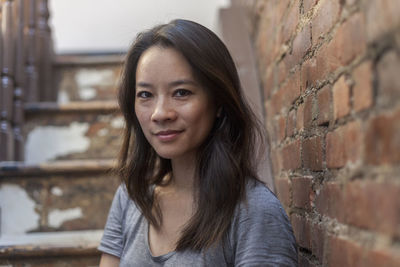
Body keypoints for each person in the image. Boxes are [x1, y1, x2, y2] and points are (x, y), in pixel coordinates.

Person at [98, 19, 298, 266]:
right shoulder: (129, 198)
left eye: (181, 92)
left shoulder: (255, 212)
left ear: (219, 102)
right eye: (146, 95)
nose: (160, 113)